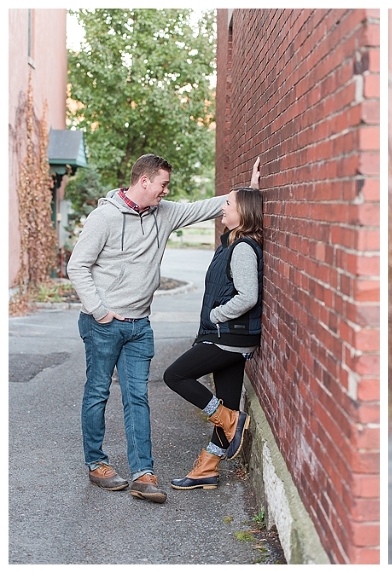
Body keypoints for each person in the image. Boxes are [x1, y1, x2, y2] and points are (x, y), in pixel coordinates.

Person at [68, 154, 237, 503]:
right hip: (104, 325)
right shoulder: (105, 217)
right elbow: (78, 266)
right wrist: (100, 311)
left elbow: (205, 207)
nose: (166, 191)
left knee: (137, 398)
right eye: (162, 184)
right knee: (98, 392)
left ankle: (144, 474)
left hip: (140, 327)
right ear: (144, 181)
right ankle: (97, 463)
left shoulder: (166, 213)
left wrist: (245, 190)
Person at [162, 158, 263, 490]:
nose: (222, 206)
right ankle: (207, 467)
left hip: (228, 336)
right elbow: (243, 207)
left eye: (228, 203)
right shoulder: (231, 242)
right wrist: (251, 187)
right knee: (228, 399)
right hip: (229, 337)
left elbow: (248, 295)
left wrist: (218, 315)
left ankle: (230, 420)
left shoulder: (244, 249)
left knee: (175, 375)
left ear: (243, 212)